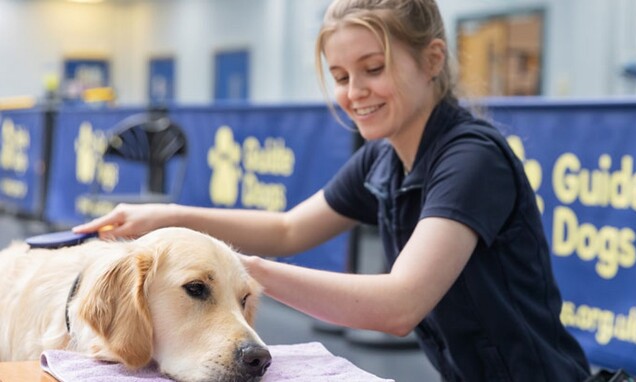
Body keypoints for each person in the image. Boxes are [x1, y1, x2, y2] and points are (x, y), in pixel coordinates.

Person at [74, 0, 590, 380]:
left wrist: (229, 273)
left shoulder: (472, 158)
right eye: (340, 75)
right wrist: (165, 217)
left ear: (432, 60)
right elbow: (288, 227)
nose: (354, 93)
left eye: (374, 69)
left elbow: (399, 304)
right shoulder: (384, 155)